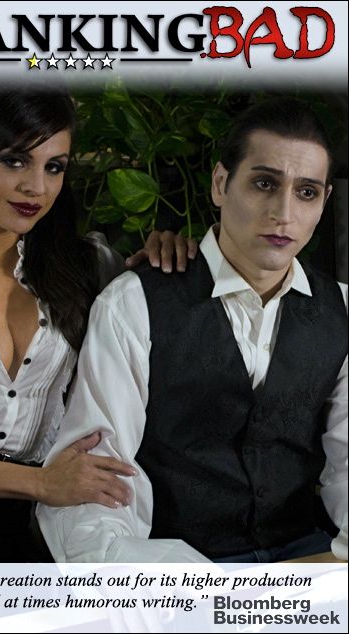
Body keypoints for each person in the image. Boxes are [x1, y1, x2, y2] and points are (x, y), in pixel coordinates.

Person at [37, 97, 348, 564]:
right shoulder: (134, 303)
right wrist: (189, 586)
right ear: (221, 184)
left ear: (324, 201)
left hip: (309, 558)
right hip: (180, 567)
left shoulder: (341, 309)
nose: (283, 213)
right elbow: (97, 484)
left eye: (306, 192)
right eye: (264, 183)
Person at [0, 75, 197, 563]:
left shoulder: (89, 266)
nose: (37, 187)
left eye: (54, 167)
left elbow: (146, 324)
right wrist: (39, 483)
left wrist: (166, 256)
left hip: (45, 524)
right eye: (15, 161)